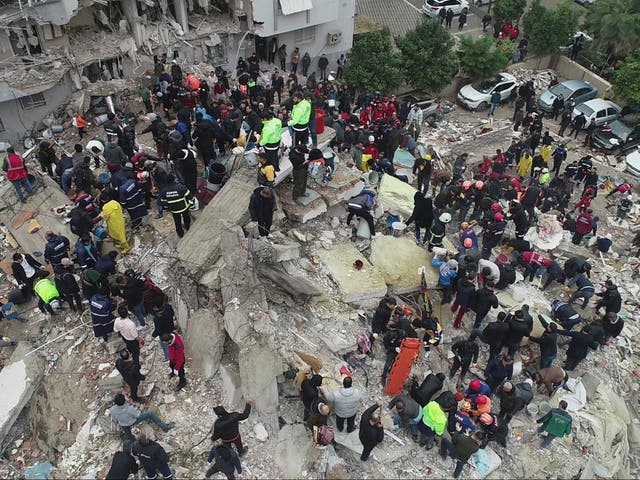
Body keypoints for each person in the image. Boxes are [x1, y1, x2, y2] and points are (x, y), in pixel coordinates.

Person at [110, 394, 174, 440]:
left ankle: (131, 441)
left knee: (128, 435)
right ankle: (164, 427)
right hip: (133, 421)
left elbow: (115, 420)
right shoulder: (129, 409)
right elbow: (137, 415)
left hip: (123, 424)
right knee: (150, 414)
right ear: (124, 401)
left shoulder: (112, 410)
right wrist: (138, 408)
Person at [160, 174, 192, 238]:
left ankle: (180, 234)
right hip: (184, 207)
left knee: (177, 222)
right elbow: (189, 196)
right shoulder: (181, 187)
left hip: (174, 210)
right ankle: (187, 227)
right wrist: (191, 202)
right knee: (186, 217)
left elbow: (163, 202)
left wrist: (168, 207)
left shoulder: (164, 191)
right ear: (174, 180)